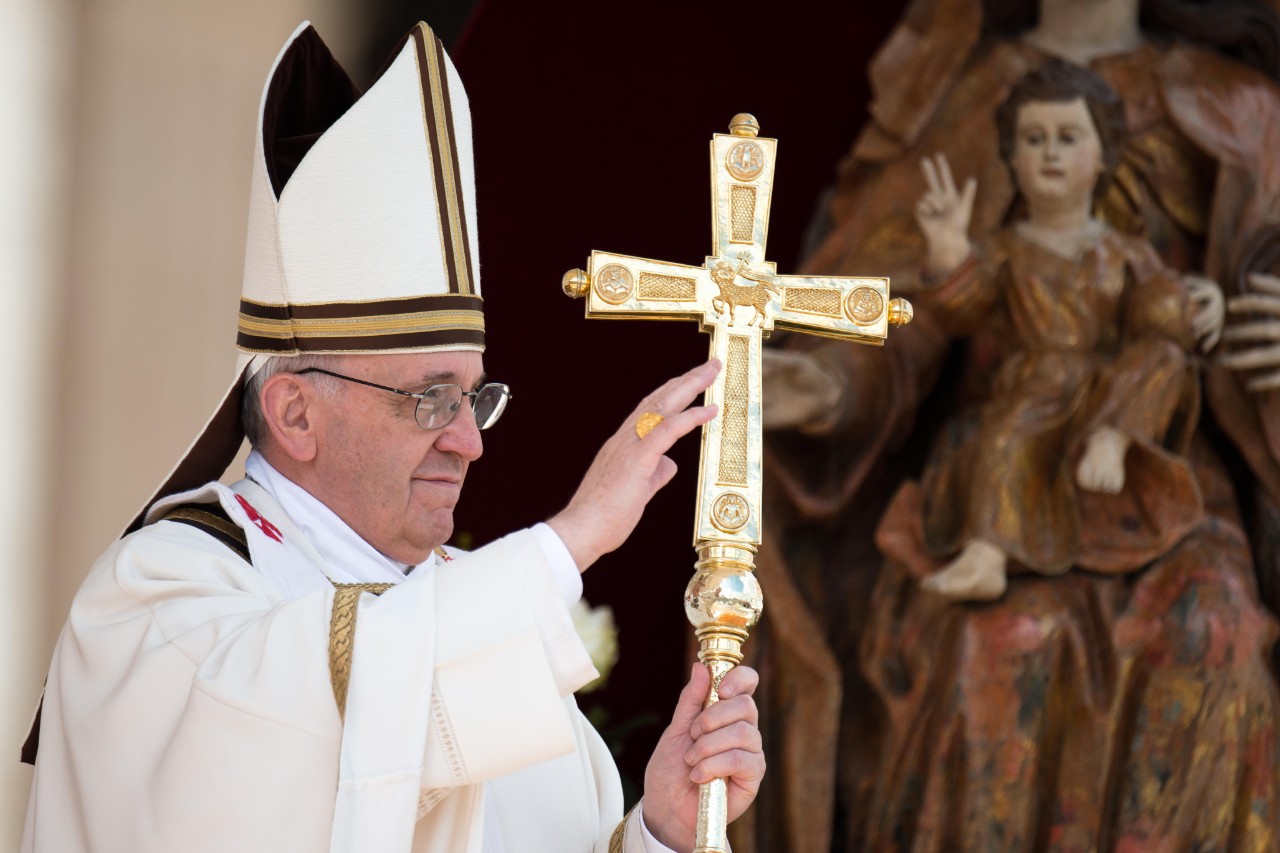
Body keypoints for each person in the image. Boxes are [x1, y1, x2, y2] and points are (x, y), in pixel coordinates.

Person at [20, 22, 764, 853]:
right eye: (428, 399)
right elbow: (300, 734)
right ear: (296, 414)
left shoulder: (481, 630)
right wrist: (572, 538)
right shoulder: (159, 602)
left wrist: (659, 828)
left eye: (472, 397)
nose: (469, 443)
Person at [746, 0, 1280, 850]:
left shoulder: (1245, 107)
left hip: (1158, 462)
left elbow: (1207, 314)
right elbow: (894, 308)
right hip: (997, 456)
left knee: (1214, 631)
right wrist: (829, 382)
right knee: (983, 648)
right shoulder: (963, 99)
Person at [913, 61, 1210, 601]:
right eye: (1034, 138)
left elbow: (1161, 313)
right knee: (1003, 440)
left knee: (1164, 357)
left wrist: (1196, 305)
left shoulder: (1125, 251)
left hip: (1110, 389)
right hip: (1036, 390)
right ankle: (985, 555)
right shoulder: (1006, 249)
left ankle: (1112, 440)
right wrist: (950, 252)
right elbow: (965, 309)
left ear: (1102, 156)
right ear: (1012, 157)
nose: (1050, 152)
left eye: (1068, 137)